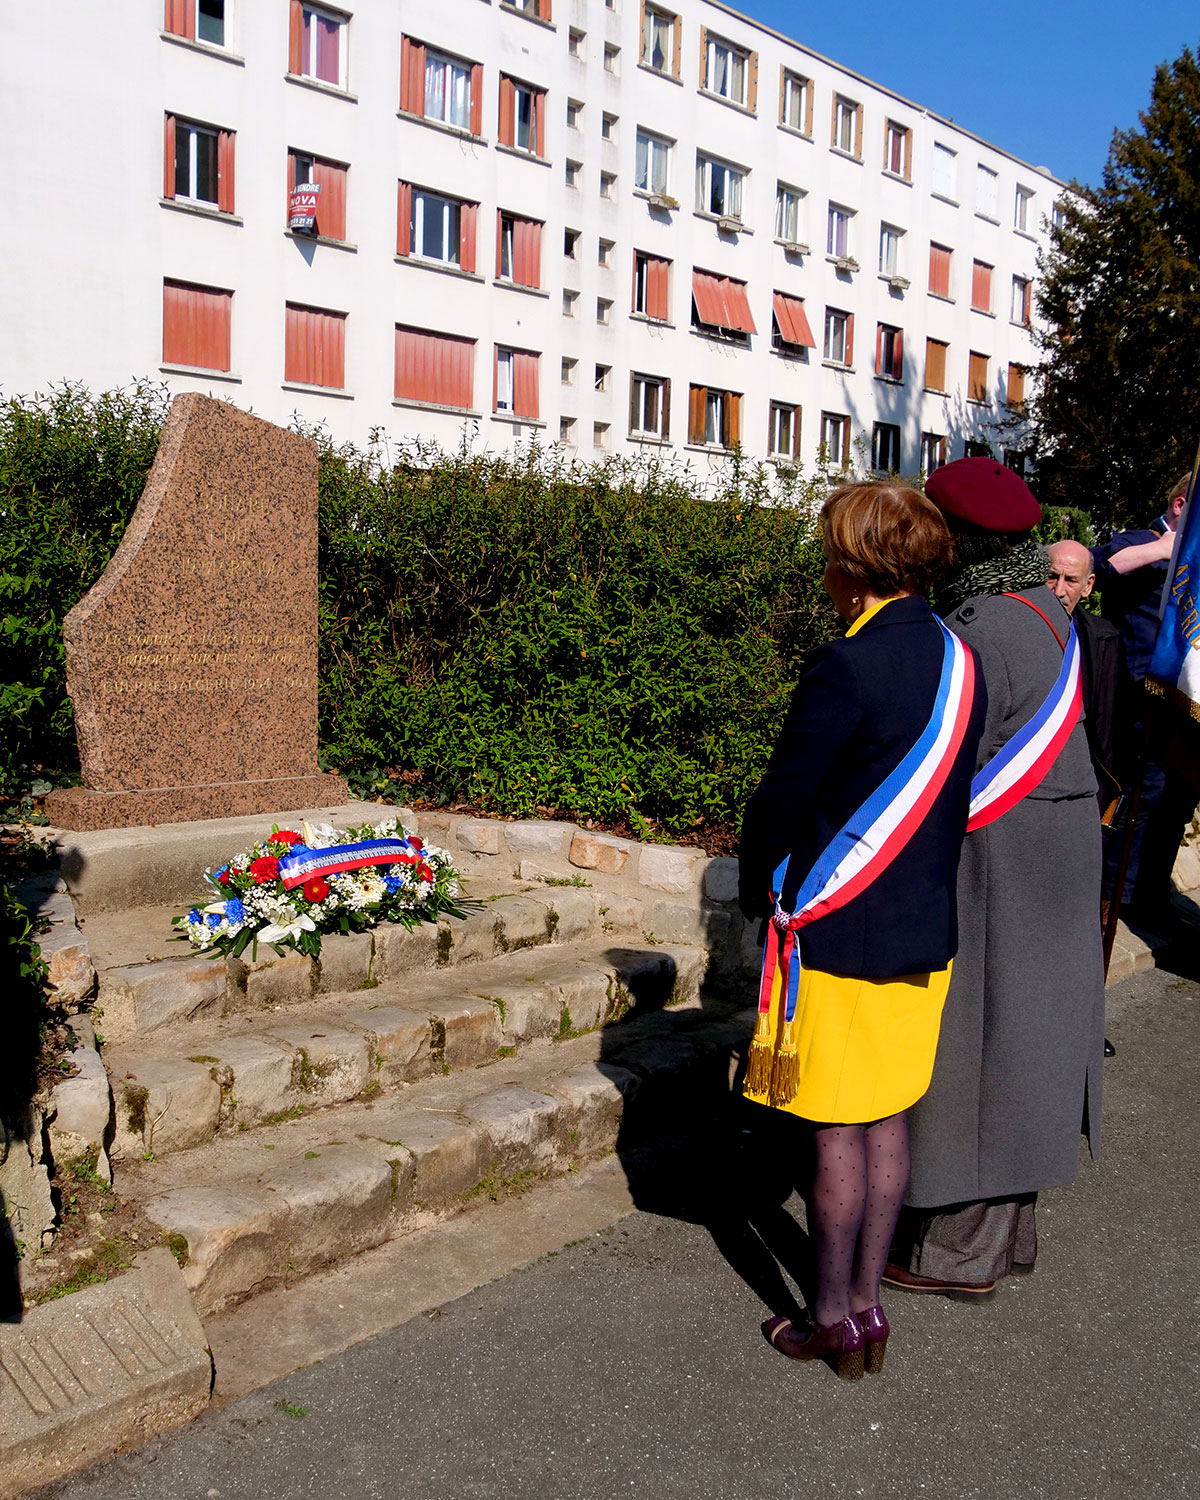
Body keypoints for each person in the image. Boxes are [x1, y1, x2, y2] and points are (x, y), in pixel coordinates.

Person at [739, 482, 985, 1377]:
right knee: (886, 1117)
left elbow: (784, 800)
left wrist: (755, 889)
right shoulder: (962, 659)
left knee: (834, 1128)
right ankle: (870, 1312)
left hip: (838, 929)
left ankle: (830, 1318)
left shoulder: (846, 665)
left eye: (830, 553)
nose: (826, 570)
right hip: (922, 927)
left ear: (856, 564)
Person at [886, 458, 1105, 1300]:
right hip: (1054, 844)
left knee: (982, 1046)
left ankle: (956, 1254)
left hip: (1001, 853)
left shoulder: (977, 625)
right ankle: (1007, 1238)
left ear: (957, 538)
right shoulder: (1042, 608)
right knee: (1033, 1039)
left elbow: (947, 757)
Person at [1093, 472, 1197, 917]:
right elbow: (1095, 567)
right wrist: (1161, 550)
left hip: (1184, 702)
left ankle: (1151, 894)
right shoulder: (1142, 540)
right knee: (1139, 795)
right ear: (1180, 506)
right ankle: (1115, 896)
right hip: (1137, 697)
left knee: (1177, 800)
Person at [1046, 540, 1120, 816]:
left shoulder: (1102, 640)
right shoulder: (1010, 630)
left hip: (1076, 782)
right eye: (1052, 576)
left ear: (1088, 586)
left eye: (1071, 580)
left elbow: (1107, 729)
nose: (1058, 590)